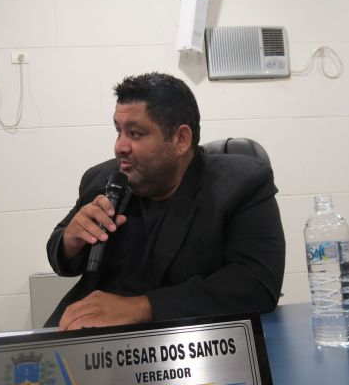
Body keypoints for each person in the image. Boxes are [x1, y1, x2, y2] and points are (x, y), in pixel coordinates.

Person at [45, 72, 285, 330]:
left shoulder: (240, 184)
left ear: (181, 140)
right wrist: (70, 242)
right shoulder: (102, 179)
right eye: (119, 131)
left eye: (135, 133)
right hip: (88, 335)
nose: (120, 147)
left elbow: (256, 284)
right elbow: (61, 254)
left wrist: (141, 307)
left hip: (187, 340)